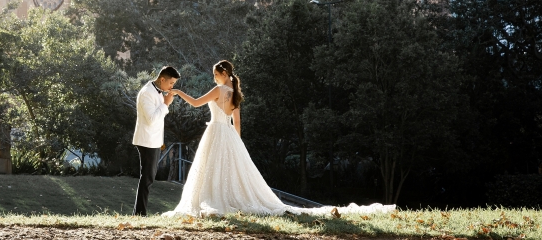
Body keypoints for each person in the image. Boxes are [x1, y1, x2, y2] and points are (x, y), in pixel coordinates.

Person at [163, 60, 395, 217]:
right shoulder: (235, 94)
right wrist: (238, 145)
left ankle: (212, 201)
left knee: (210, 169)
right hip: (228, 135)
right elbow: (238, 123)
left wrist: (177, 92)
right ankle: (224, 200)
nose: (215, 78)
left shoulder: (220, 90)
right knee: (228, 170)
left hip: (214, 132)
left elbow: (195, 103)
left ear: (224, 74)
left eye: (216, 75)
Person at [132, 66, 180, 216]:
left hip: (153, 141)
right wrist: (166, 104)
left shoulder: (157, 92)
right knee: (147, 177)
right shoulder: (147, 93)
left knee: (148, 177)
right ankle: (139, 214)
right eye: (171, 83)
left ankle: (139, 213)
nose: (172, 87)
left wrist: (165, 102)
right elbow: (152, 119)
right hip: (146, 140)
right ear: (162, 79)